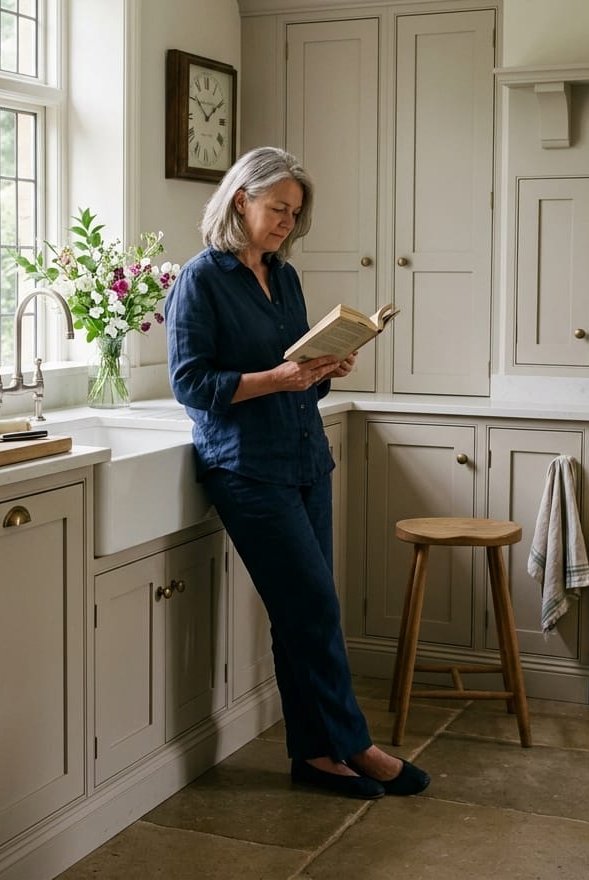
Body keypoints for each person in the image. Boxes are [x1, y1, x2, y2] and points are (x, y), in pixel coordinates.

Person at [165, 146, 430, 800]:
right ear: (240, 201)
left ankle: (315, 756)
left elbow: (294, 382)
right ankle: (355, 745)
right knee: (313, 604)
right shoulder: (201, 280)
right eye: (278, 208)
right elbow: (190, 384)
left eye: (295, 212)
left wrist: (319, 372)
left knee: (302, 611)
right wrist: (279, 377)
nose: (287, 222)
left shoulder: (283, 277)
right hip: (246, 468)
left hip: (306, 456)